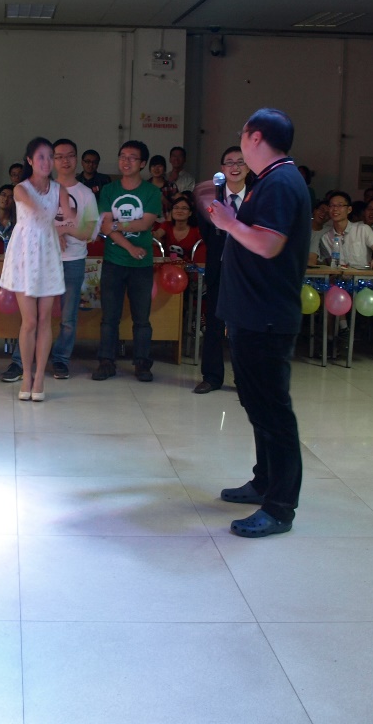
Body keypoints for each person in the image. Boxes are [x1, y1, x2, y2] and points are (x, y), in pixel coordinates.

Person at [207, 108, 310, 538]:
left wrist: (229, 223)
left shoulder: (281, 182)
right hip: (251, 313)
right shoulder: (268, 180)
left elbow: (268, 245)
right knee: (256, 405)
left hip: (266, 315)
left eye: (242, 137)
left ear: (254, 137)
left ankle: (280, 506)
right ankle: (264, 481)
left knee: (272, 411)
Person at [2, 138, 100, 384]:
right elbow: (36, 212)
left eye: (69, 155)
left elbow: (84, 229)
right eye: (56, 156)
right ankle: (22, 366)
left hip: (67, 258)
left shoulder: (80, 193)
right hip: (34, 258)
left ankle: (56, 364)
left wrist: (65, 229)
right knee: (30, 319)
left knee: (62, 317)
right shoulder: (25, 188)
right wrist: (59, 229)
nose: (63, 161)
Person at [0, 137, 74, 400]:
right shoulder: (20, 188)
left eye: (50, 156)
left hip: (48, 254)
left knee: (45, 320)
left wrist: (80, 221)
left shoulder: (59, 189)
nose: (47, 161)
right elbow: (35, 209)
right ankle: (26, 376)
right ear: (30, 160)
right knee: (29, 321)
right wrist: (58, 221)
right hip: (24, 255)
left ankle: (40, 377)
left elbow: (71, 218)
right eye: (41, 157)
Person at [93, 140, 162, 383]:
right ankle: (106, 362)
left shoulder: (152, 192)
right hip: (114, 261)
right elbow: (104, 226)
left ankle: (142, 363)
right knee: (109, 317)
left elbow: (144, 223)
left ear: (142, 164)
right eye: (122, 156)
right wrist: (130, 246)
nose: (126, 161)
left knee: (141, 318)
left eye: (132, 157)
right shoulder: (109, 190)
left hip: (141, 265)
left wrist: (117, 224)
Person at [192, 146, 247, 395]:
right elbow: (208, 233)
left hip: (248, 272)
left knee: (244, 328)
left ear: (248, 166)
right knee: (214, 325)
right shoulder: (211, 198)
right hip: (219, 267)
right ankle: (212, 377)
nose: (235, 167)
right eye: (229, 163)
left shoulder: (257, 197)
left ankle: (245, 380)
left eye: (240, 162)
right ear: (222, 169)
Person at [312, 191, 373, 268]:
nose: (335, 209)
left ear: (349, 209)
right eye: (332, 205)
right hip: (339, 275)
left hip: (362, 274)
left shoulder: (363, 229)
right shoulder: (325, 238)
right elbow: (328, 264)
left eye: (340, 205)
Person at [154, 193, 200, 260]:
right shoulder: (167, 225)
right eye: (176, 208)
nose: (179, 211)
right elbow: (157, 234)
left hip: (189, 266)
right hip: (168, 264)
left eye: (184, 208)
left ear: (190, 213)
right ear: (172, 211)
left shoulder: (196, 231)